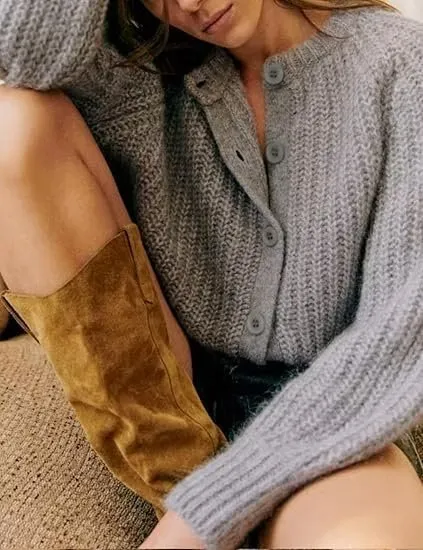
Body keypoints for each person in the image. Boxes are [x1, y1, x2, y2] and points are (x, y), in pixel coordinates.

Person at [0, 0, 423, 548]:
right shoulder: (136, 72)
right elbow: (20, 59)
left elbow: (395, 339)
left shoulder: (400, 68)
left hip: (327, 424)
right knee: (11, 121)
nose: (189, 3)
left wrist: (205, 512)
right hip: (175, 407)